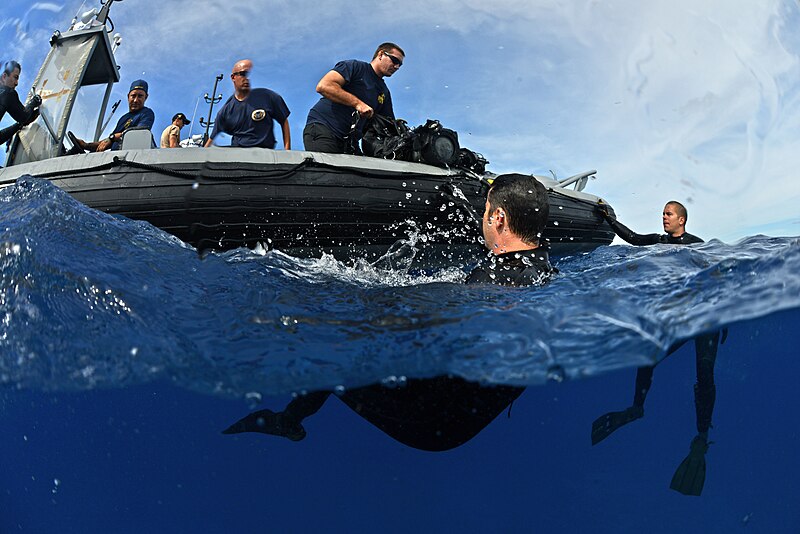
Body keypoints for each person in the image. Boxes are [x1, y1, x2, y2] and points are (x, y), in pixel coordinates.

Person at [222, 174, 556, 451]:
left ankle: (289, 421)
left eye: (485, 211)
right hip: (464, 415)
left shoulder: (495, 280)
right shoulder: (544, 269)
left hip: (432, 422)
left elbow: (446, 318)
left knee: (323, 341)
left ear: (498, 218)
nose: (483, 218)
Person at [592, 200, 721, 496]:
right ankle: (636, 408)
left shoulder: (697, 246)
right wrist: (609, 219)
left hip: (704, 323)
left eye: (669, 214)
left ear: (682, 219)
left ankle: (701, 440)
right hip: (679, 321)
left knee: (705, 376)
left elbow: (717, 277)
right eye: (662, 213)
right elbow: (634, 239)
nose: (664, 218)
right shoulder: (659, 243)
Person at [304, 43, 403, 154]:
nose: (397, 67)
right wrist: (358, 104)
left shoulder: (384, 91)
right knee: (328, 170)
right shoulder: (355, 67)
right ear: (380, 54)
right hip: (324, 128)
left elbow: (388, 124)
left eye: (400, 64)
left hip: (351, 142)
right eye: (395, 60)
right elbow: (324, 86)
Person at [203, 59, 290, 150]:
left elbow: (283, 121)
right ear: (233, 77)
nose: (247, 78)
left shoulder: (267, 97)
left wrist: (287, 152)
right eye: (243, 74)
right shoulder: (226, 112)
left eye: (249, 74)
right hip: (239, 156)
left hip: (265, 155)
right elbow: (210, 141)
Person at [68, 79, 155, 153]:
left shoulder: (147, 113)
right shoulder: (123, 119)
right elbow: (107, 142)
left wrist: (112, 138)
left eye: (140, 96)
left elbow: (138, 135)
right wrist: (85, 145)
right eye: (133, 96)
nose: (136, 100)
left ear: (146, 97)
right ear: (128, 96)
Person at [0, 60, 42, 145]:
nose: (16, 83)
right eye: (15, 77)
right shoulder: (7, 93)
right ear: (4, 76)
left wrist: (17, 126)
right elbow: (24, 116)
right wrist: (34, 102)